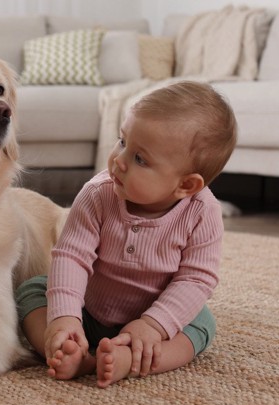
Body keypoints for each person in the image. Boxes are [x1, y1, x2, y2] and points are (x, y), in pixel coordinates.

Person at [16, 81, 237, 388]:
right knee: (32, 292)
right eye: (122, 141)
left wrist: (153, 325)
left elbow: (196, 279)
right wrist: (65, 317)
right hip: (90, 310)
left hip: (154, 321)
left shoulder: (202, 212)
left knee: (200, 325)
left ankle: (128, 360)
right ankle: (66, 349)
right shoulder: (98, 194)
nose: (119, 160)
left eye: (140, 159)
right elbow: (71, 256)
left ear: (186, 186)